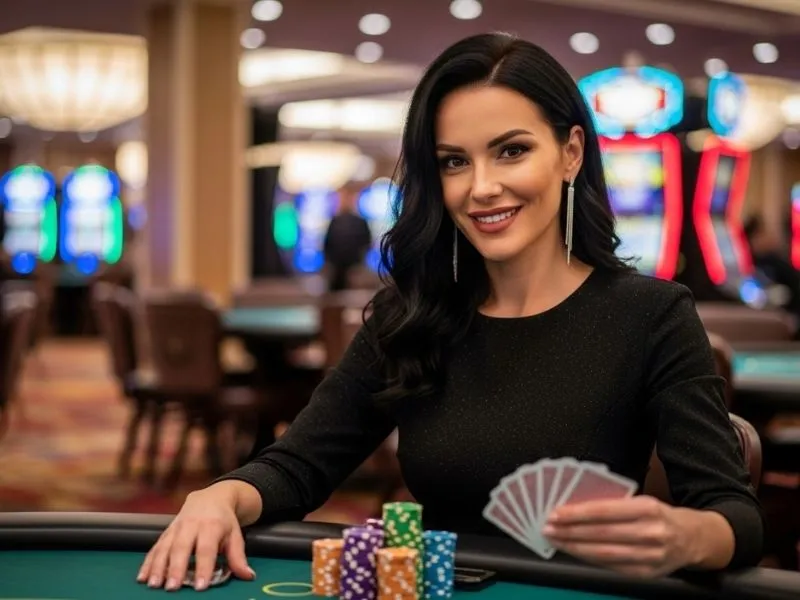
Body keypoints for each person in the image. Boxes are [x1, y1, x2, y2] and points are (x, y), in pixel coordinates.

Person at [137, 33, 764, 591]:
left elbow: (733, 516)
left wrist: (684, 536)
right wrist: (220, 496)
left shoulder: (651, 314)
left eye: (511, 151)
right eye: (453, 162)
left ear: (571, 152)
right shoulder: (411, 315)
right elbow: (298, 465)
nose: (480, 186)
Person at [323, 183, 373, 291]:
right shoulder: (335, 221)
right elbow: (327, 244)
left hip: (354, 268)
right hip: (336, 270)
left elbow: (366, 244)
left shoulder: (360, 222)